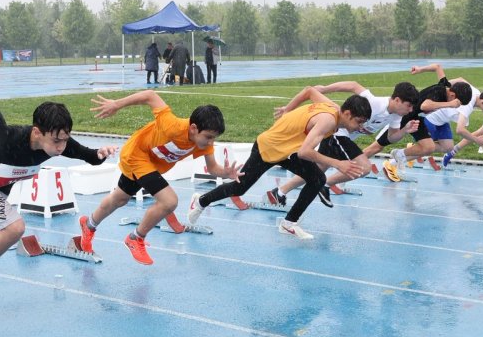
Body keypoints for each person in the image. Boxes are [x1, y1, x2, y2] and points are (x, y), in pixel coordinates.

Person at [0, 90, 118, 299]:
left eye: (65, 139)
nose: (61, 147)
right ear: (37, 133)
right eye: (56, 141)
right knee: (15, 227)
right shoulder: (9, 138)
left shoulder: (60, 143)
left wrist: (100, 154)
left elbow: (88, 155)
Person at [78, 90, 240, 264]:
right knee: (169, 201)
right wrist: (116, 104)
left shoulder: (204, 144)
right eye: (208, 137)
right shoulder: (172, 125)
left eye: (213, 138)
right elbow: (150, 95)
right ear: (193, 128)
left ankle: (89, 225)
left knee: (119, 199)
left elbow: (213, 167)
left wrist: (226, 173)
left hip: (148, 165)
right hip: (136, 154)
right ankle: (135, 238)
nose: (210, 142)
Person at [187, 87, 371, 240]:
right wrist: (338, 163)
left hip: (287, 151)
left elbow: (309, 91)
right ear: (346, 113)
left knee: (317, 178)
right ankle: (201, 201)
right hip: (268, 148)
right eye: (358, 122)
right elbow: (305, 152)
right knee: (240, 188)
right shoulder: (328, 121)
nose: (359, 127)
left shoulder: (332, 107)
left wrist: (287, 109)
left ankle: (289, 223)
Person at [268, 80, 418, 206]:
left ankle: (279, 192)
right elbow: (353, 85)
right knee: (364, 168)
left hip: (339, 136)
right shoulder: (374, 103)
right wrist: (325, 89)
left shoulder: (396, 116)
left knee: (319, 169)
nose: (410, 110)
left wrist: (404, 130)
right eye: (408, 106)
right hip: (339, 134)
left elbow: (391, 138)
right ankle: (324, 185)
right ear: (397, 100)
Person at [406, 63, 483, 165]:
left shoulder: (475, 92)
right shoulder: (467, 105)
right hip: (430, 118)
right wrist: (477, 140)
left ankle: (414, 148)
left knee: (448, 147)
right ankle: (396, 160)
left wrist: (444, 86)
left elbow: (460, 79)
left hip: (442, 120)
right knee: (427, 148)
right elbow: (460, 130)